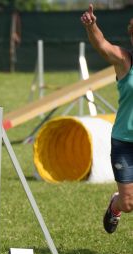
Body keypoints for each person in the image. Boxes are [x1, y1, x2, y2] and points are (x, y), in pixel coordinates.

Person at [81, 4, 133, 233]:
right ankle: (115, 206)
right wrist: (92, 27)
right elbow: (102, 46)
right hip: (124, 141)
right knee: (128, 203)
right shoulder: (124, 61)